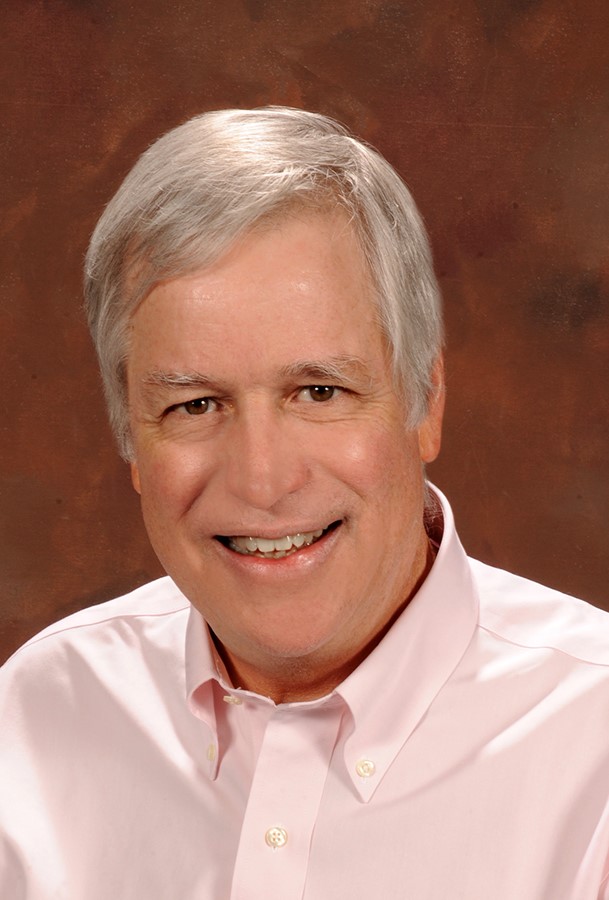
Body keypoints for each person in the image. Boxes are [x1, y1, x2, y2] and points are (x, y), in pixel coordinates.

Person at [1, 107, 609, 900]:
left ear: (424, 402)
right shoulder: (35, 717)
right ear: (129, 440)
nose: (261, 480)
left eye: (318, 391)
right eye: (194, 405)